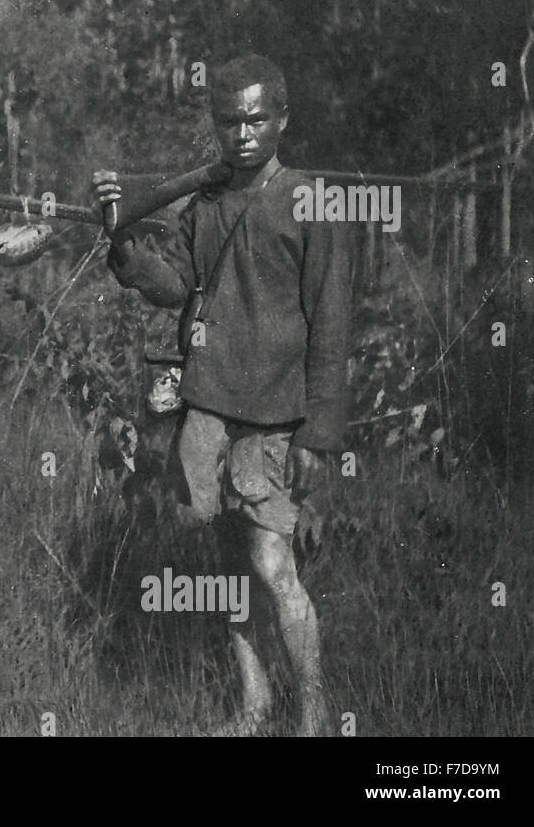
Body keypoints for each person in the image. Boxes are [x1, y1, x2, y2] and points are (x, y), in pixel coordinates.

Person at [93, 54, 352, 736]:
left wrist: (319, 434)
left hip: (277, 416)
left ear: (283, 119)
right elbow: (174, 283)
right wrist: (124, 247)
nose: (242, 133)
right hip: (209, 409)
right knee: (232, 564)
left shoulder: (310, 199)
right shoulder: (204, 202)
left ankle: (316, 715)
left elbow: (330, 324)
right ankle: (253, 704)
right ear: (216, 122)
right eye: (229, 120)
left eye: (257, 118)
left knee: (273, 563)